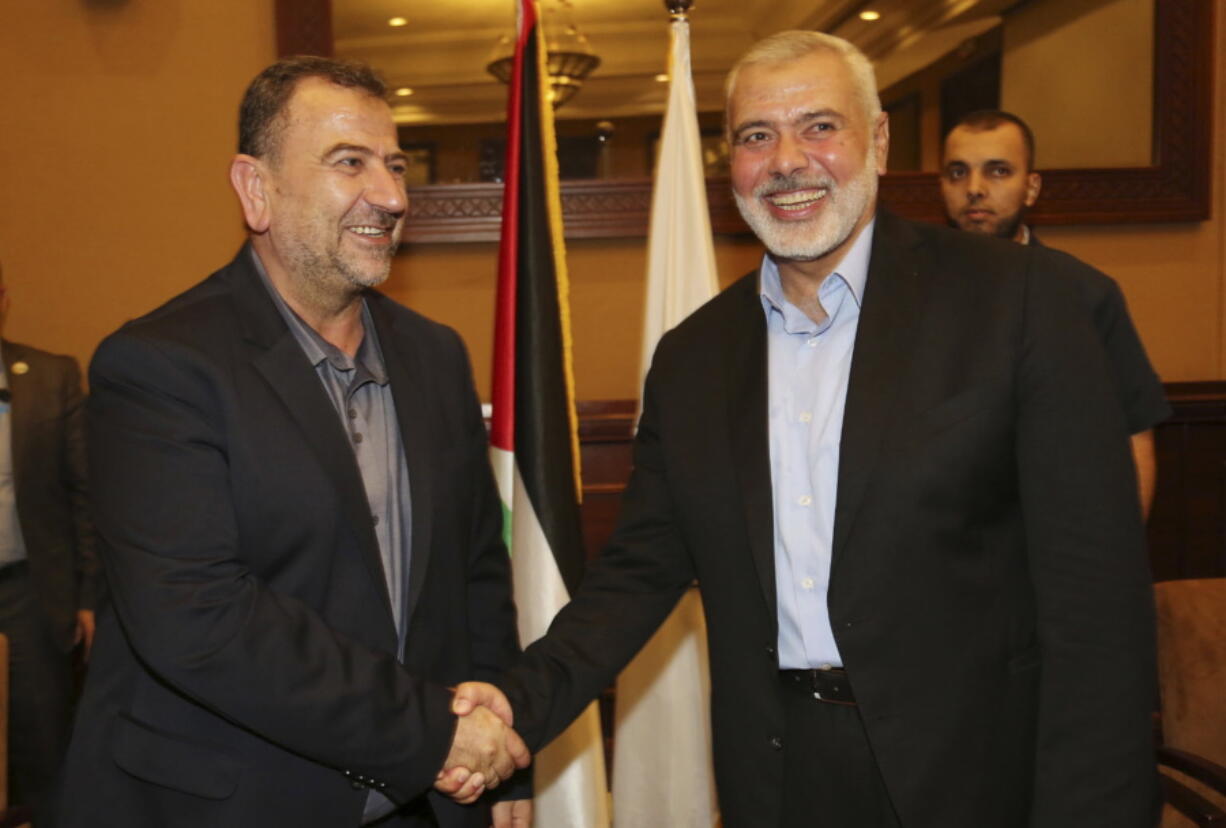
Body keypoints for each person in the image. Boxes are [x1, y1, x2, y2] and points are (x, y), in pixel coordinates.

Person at [478, 31, 1160, 828]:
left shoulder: (1025, 304)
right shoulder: (693, 359)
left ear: (877, 141)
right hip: (777, 774)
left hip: (977, 772)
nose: (786, 161)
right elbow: (637, 570)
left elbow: (1097, 604)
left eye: (820, 126)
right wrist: (515, 710)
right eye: (756, 136)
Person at [53, 58, 530, 828]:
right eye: (350, 163)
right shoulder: (158, 367)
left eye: (396, 165)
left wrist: (502, 756)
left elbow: (476, 573)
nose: (392, 196)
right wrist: (436, 733)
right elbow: (201, 621)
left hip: (431, 803)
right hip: (231, 805)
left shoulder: (436, 356)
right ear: (256, 189)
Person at [940, 110, 1169, 515]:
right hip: (936, 548)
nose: (974, 189)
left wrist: (1117, 568)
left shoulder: (1083, 293)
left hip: (1050, 539)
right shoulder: (908, 291)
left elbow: (1133, 437)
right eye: (958, 173)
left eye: (997, 172)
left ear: (1031, 188)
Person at [0, 261, 98, 821]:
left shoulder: (50, 376)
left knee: (44, 752)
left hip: (32, 597)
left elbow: (84, 495)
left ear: (4, 299)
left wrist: (88, 596)